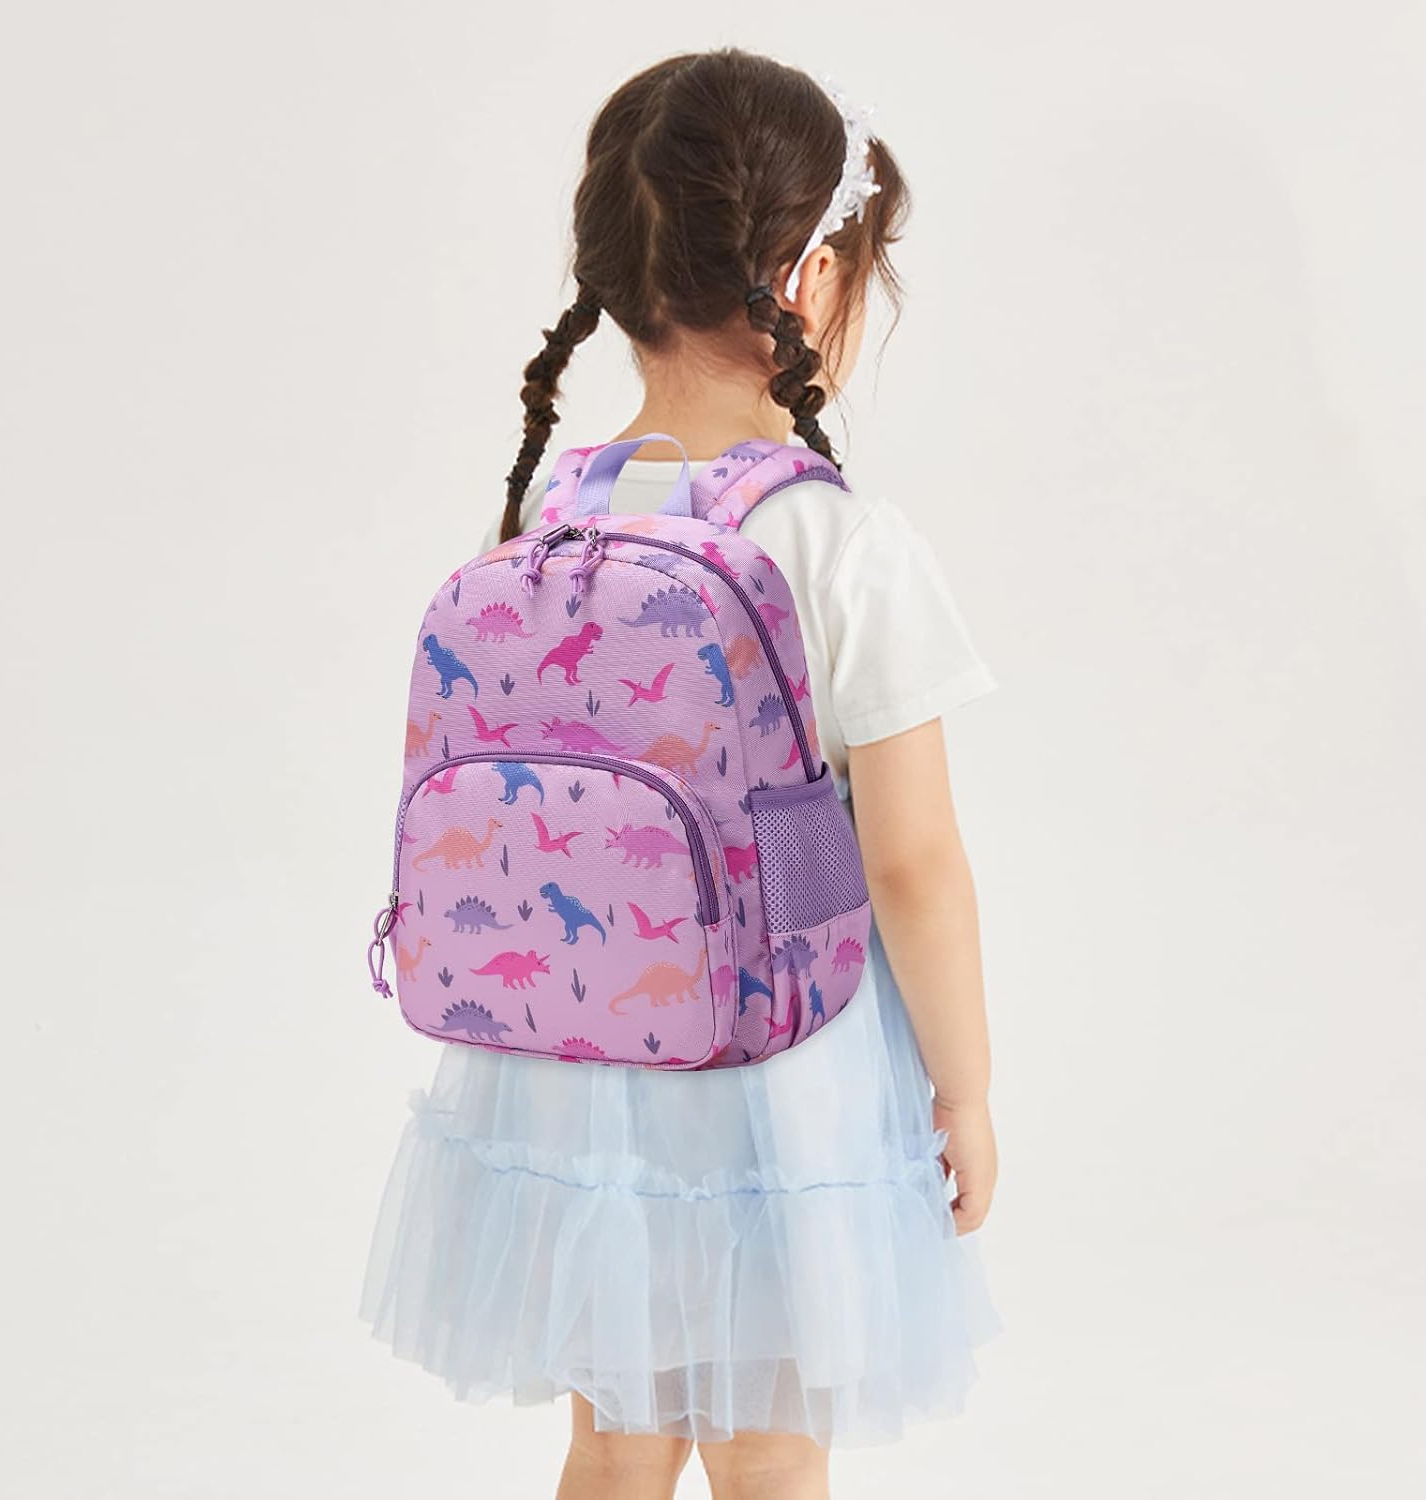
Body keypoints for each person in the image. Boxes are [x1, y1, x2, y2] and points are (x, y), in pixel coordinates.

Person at [360, 48, 1000, 1500]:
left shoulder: (546, 512)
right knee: (772, 1440)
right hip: (785, 1069)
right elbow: (910, 864)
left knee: (612, 1438)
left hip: (576, 1066)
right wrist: (964, 1091)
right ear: (815, 280)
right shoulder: (839, 544)